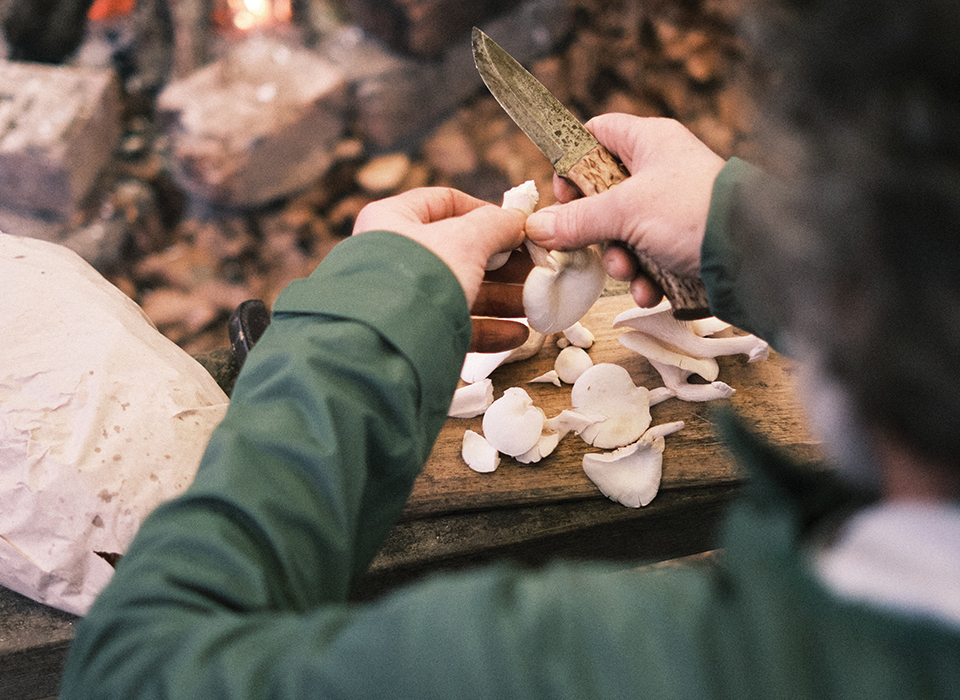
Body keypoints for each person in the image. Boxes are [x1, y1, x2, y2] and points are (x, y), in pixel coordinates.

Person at [60, 0, 960, 697]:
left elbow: (138, 668)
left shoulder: (609, 665)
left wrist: (370, 311)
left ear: (849, 276)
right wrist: (738, 229)